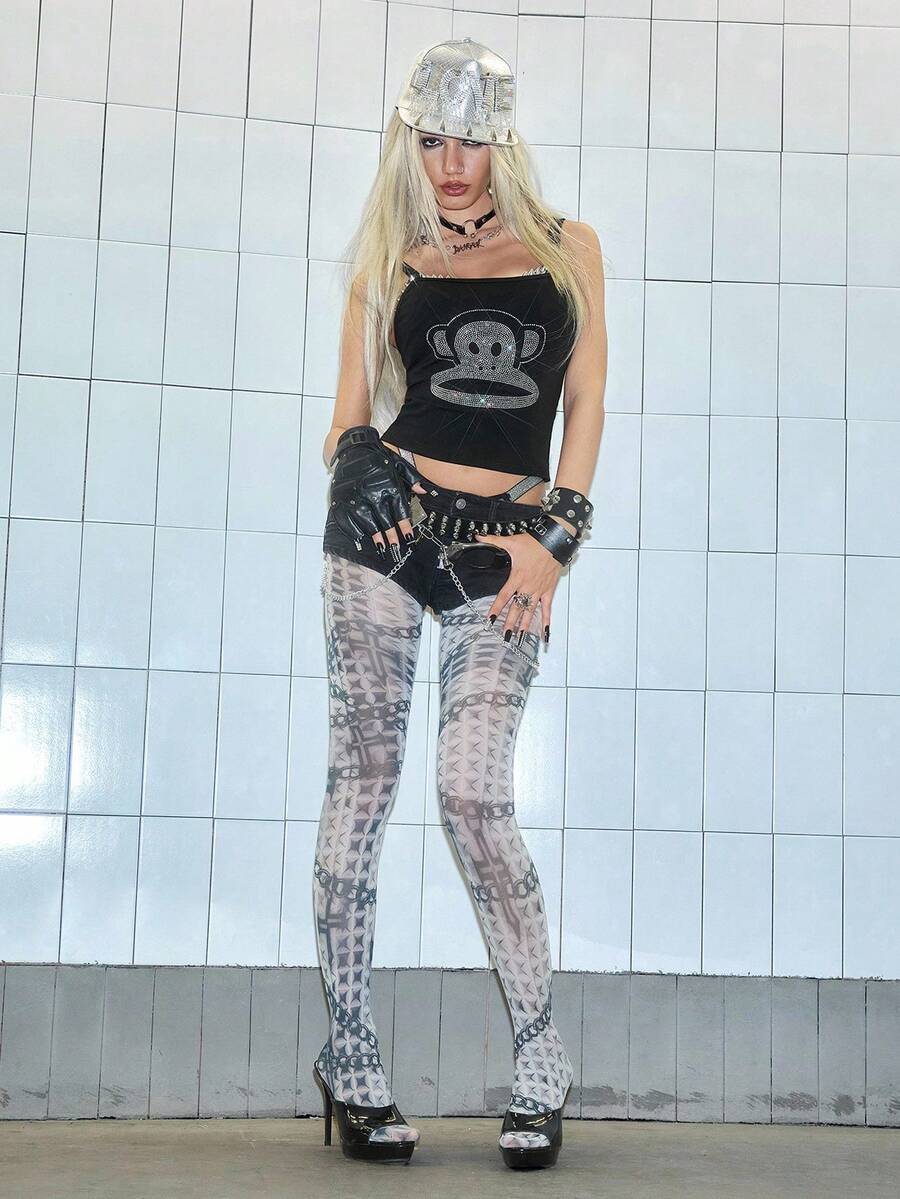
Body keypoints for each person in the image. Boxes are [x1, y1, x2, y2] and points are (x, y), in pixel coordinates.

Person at [312, 37, 607, 1170]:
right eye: (431, 139)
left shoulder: (571, 248)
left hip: (507, 548)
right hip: (387, 533)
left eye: (470, 142)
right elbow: (345, 421)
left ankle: (542, 1055)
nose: (449, 163)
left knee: (473, 791)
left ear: (503, 144)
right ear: (410, 140)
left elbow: (584, 409)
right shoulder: (387, 253)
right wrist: (357, 463)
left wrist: (555, 541)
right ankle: (349, 1053)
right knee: (364, 780)